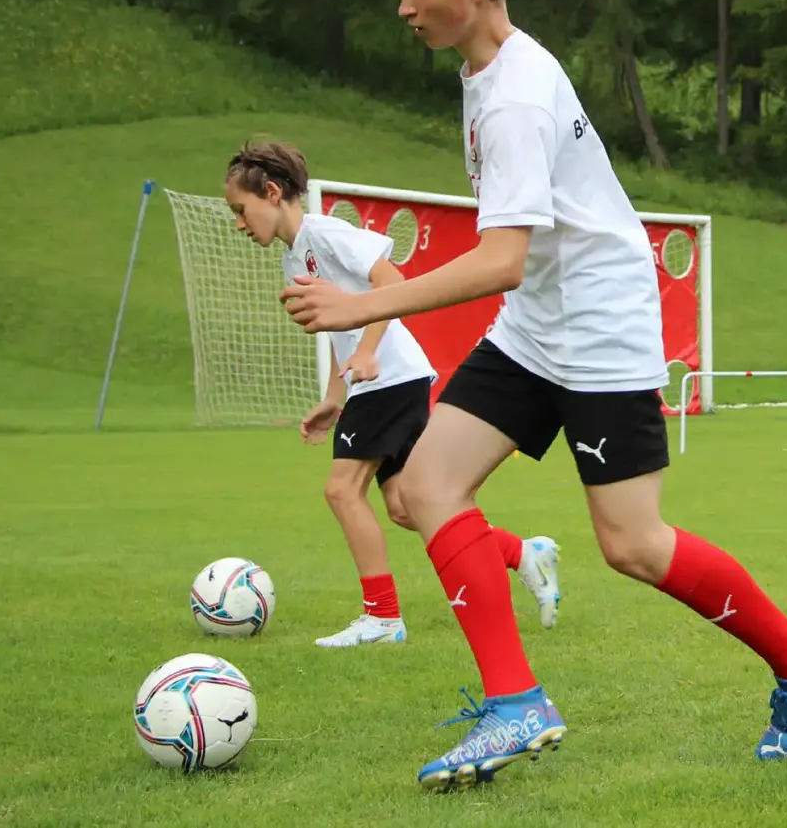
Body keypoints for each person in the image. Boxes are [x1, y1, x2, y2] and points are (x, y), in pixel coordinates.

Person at [280, 0, 787, 790]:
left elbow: (500, 255)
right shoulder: (487, 63)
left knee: (631, 543)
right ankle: (515, 703)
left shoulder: (512, 98)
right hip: (538, 319)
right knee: (425, 487)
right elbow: (517, 267)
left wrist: (361, 304)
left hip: (599, 327)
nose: (403, 7)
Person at [223, 140, 562, 649]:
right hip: (387, 382)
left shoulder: (324, 232)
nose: (240, 224)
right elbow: (343, 333)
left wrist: (370, 352)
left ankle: (382, 618)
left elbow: (389, 279)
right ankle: (523, 552)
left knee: (342, 491)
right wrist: (335, 397)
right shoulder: (294, 257)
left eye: (241, 210)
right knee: (408, 507)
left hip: (391, 379)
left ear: (272, 193)